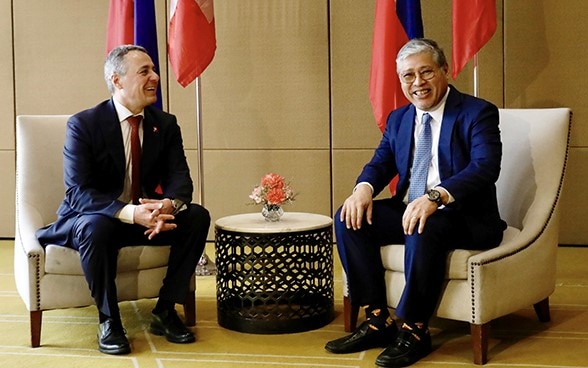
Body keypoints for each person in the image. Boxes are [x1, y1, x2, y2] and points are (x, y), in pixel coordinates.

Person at [324, 38, 506, 367]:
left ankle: (416, 328)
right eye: (408, 76)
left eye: (426, 72)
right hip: (412, 207)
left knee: (426, 223)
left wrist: (436, 196)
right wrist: (363, 188)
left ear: (445, 72)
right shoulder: (399, 119)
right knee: (347, 218)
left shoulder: (477, 112)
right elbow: (381, 163)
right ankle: (378, 318)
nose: (418, 83)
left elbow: (485, 168)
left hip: (465, 216)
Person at [36, 45, 210, 355]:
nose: (155, 77)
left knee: (196, 216)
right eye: (144, 71)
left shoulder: (164, 123)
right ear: (117, 80)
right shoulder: (84, 125)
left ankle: (166, 310)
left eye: (154, 70)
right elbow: (79, 192)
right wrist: (131, 213)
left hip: (144, 218)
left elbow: (180, 180)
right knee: (95, 228)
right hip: (97, 219)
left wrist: (167, 205)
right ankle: (109, 320)